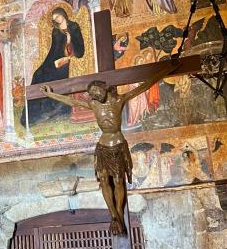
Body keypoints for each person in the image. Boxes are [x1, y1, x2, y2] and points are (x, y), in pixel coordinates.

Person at [40, 60, 177, 235]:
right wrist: (51, 95)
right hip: (103, 146)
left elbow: (143, 86)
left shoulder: (119, 100)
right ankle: (114, 215)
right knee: (104, 180)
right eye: (92, 94)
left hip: (118, 145)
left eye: (96, 92)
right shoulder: (94, 104)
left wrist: (165, 70)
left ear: (103, 88)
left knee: (119, 180)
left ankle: (119, 214)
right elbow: (71, 102)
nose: (94, 96)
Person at [20, 6, 85, 127]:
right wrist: (47, 63)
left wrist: (70, 40)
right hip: (54, 59)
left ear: (63, 14)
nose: (57, 19)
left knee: (56, 76)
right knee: (38, 74)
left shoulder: (74, 26)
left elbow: (80, 50)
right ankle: (32, 112)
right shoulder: (55, 31)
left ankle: (53, 108)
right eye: (55, 18)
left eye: (58, 16)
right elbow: (53, 49)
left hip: (67, 59)